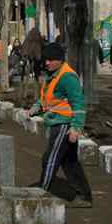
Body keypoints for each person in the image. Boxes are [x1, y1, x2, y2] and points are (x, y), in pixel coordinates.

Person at [28, 43, 93, 208]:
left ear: (59, 60)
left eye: (50, 60)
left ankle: (42, 191)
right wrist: (37, 106)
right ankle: (84, 196)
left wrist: (76, 128)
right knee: (70, 162)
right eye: (45, 60)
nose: (46, 63)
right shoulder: (53, 75)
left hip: (64, 124)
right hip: (57, 122)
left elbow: (78, 104)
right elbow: (49, 98)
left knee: (50, 159)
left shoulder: (67, 77)